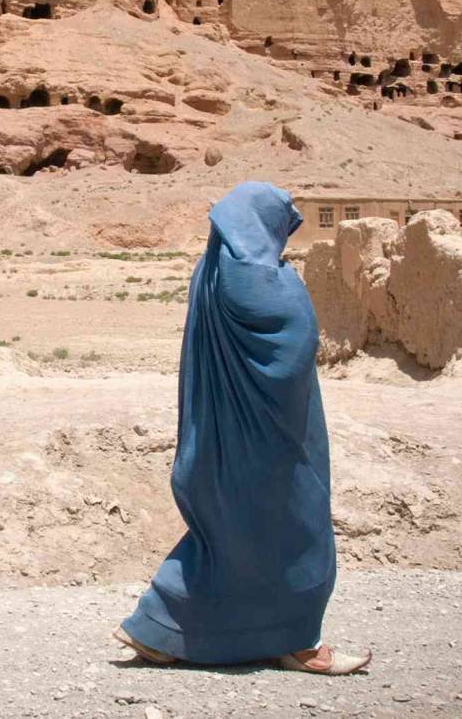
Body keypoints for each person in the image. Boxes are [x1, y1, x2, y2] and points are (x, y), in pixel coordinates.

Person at [114, 182, 370, 675]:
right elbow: (294, 334)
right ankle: (298, 644)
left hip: (218, 437)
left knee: (227, 539)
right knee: (297, 531)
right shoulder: (257, 276)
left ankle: (158, 629)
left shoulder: (210, 269)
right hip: (269, 439)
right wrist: (293, 285)